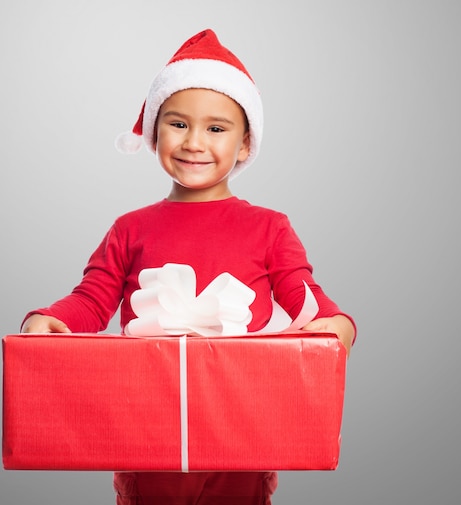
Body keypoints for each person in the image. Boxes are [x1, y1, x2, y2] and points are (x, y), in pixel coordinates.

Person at [21, 28, 356, 505]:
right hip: (146, 426)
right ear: (155, 133)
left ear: (244, 145)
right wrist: (54, 317)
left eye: (216, 129)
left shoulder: (270, 228)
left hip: (242, 428)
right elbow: (92, 300)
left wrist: (337, 322)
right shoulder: (129, 228)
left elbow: (305, 298)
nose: (194, 142)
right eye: (178, 124)